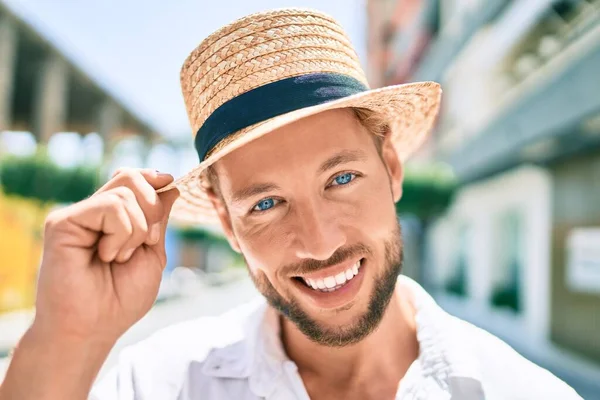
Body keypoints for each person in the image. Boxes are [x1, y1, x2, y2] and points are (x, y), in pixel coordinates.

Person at [0, 8, 581, 400]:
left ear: (393, 169)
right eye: (266, 203)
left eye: (343, 178)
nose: (321, 242)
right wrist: (67, 338)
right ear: (226, 223)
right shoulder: (161, 382)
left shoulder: (520, 391)